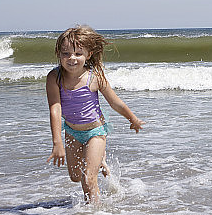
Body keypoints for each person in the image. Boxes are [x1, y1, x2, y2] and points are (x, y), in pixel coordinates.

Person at [46, 26, 145, 202]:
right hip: (72, 132)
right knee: (75, 176)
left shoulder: (95, 77)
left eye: (78, 53)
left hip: (96, 132)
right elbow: (55, 108)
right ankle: (99, 160)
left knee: (88, 179)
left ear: (88, 55)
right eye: (66, 54)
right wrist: (57, 142)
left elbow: (115, 102)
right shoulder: (54, 77)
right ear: (58, 55)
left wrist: (133, 119)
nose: (72, 58)